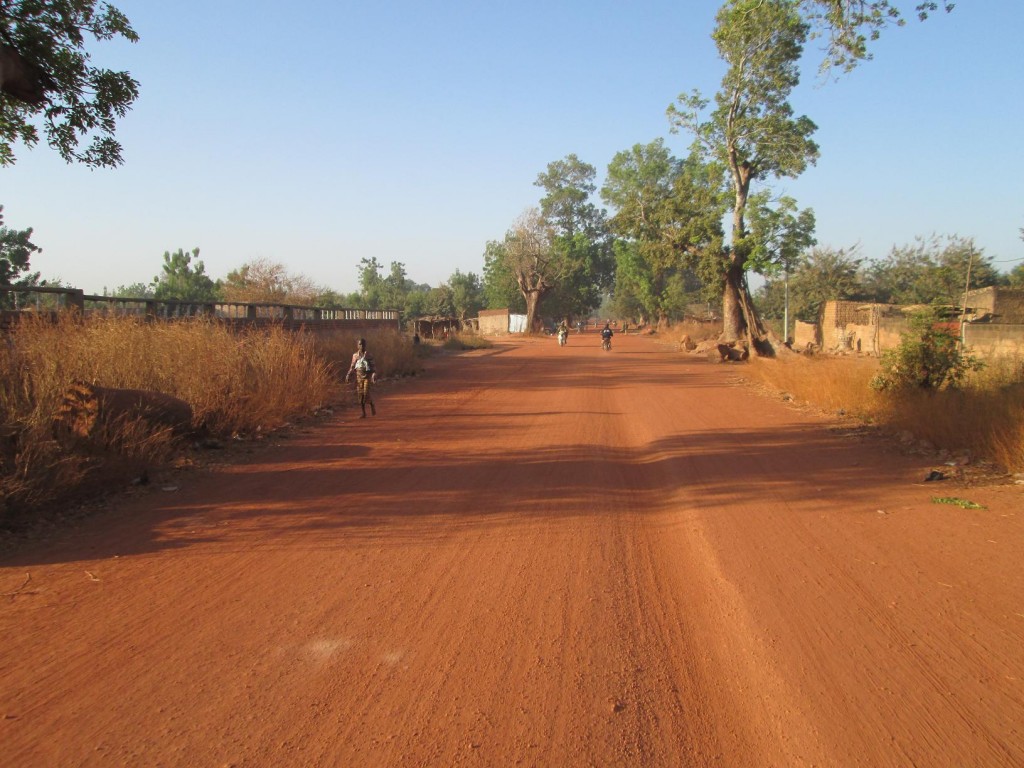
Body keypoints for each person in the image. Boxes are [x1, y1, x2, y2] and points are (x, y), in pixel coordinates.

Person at [345, 337, 377, 418]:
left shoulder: (369, 355)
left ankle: (371, 404)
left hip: (367, 377)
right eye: (360, 344)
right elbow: (352, 366)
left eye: (363, 344)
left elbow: (373, 367)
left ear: (365, 345)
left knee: (366, 393)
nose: (362, 346)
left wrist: (373, 375)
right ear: (357, 346)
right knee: (360, 395)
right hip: (359, 377)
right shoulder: (355, 356)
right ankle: (363, 413)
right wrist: (348, 374)